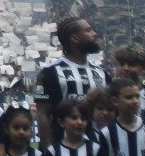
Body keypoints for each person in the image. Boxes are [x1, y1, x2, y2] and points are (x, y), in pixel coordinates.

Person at [35, 18, 109, 148]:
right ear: (75, 38)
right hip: (63, 148)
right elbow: (43, 114)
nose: (94, 34)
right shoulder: (49, 72)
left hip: (100, 148)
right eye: (88, 30)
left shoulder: (102, 73)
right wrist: (47, 150)